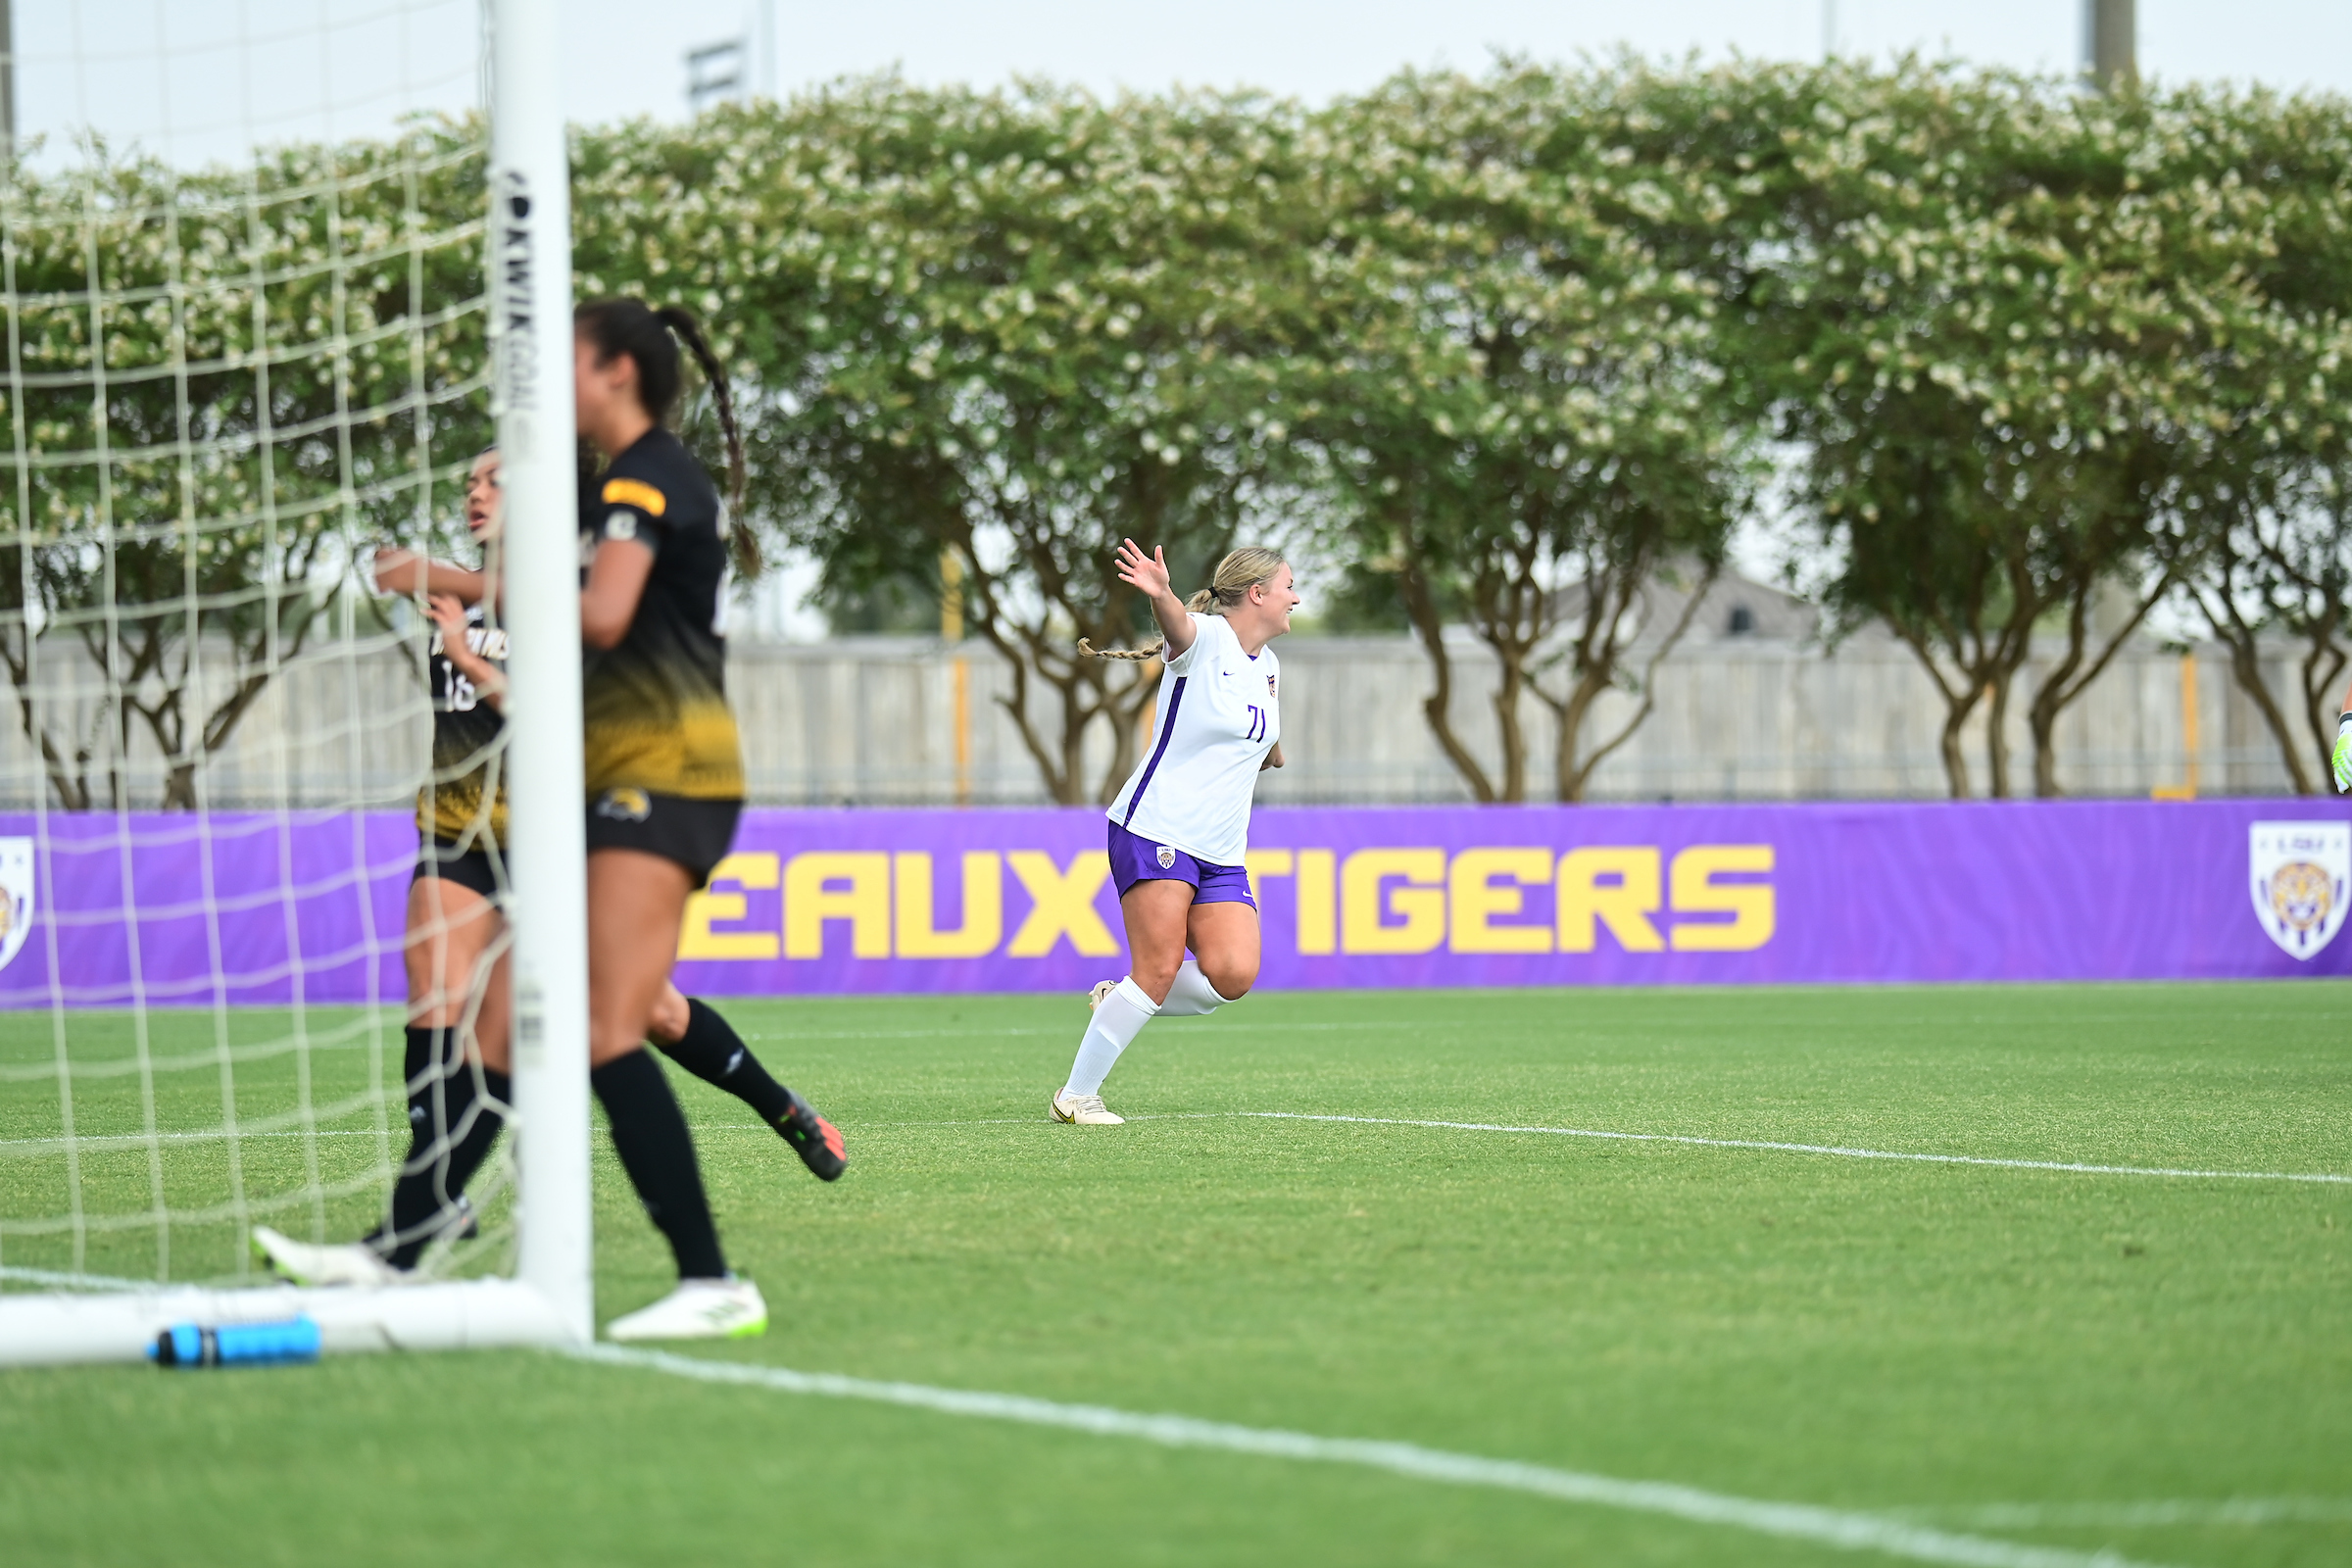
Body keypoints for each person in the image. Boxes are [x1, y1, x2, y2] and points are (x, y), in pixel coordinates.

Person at [1051, 542, 1298, 1126]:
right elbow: (1178, 627)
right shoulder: (1204, 637)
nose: (1296, 595)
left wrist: (1270, 749)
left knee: (1232, 975)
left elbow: (1254, 733)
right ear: (1256, 593)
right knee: (1158, 970)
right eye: (1289, 584)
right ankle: (1077, 1096)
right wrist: (1161, 591)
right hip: (1156, 827)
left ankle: (1120, 1001)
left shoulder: (1269, 667)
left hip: (1220, 850)